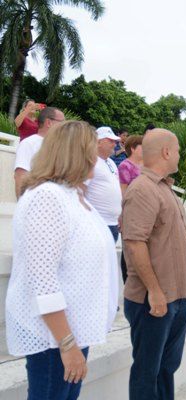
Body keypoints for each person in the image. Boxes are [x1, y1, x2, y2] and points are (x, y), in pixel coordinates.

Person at [5, 121, 118, 399]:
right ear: (75, 154)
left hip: (72, 333)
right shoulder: (47, 197)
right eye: (91, 150)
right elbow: (42, 280)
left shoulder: (75, 197)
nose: (97, 158)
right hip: (53, 340)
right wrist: (67, 343)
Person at [121, 129, 186, 400]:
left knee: (166, 369)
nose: (179, 155)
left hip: (176, 298)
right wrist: (154, 290)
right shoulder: (142, 189)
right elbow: (134, 243)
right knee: (146, 372)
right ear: (166, 152)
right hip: (152, 302)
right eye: (176, 150)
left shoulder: (165, 188)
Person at [13, 107, 65, 198]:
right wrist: (22, 205)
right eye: (62, 122)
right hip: (34, 202)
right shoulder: (29, 143)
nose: (65, 126)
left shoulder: (60, 146)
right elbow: (20, 176)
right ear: (49, 123)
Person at [85, 127, 122, 242]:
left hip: (113, 223)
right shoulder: (89, 161)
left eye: (115, 141)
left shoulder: (111, 162)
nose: (114, 144)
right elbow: (79, 191)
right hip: (97, 223)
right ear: (98, 142)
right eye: (110, 141)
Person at [118, 135, 143, 283]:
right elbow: (123, 192)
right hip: (130, 212)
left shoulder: (146, 165)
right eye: (142, 146)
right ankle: (127, 282)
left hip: (144, 213)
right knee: (128, 250)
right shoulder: (125, 166)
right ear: (133, 148)